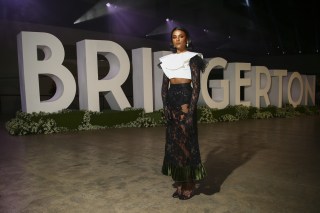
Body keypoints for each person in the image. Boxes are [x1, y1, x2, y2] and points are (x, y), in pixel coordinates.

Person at [159, 27, 207, 200]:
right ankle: (179, 181)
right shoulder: (167, 60)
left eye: (181, 36)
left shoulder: (193, 58)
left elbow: (197, 86)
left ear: (186, 39)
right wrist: (165, 107)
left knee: (184, 141)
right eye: (174, 37)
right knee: (173, 142)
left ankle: (189, 182)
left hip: (185, 97)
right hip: (172, 98)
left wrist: (191, 111)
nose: (177, 39)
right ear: (171, 40)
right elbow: (164, 88)